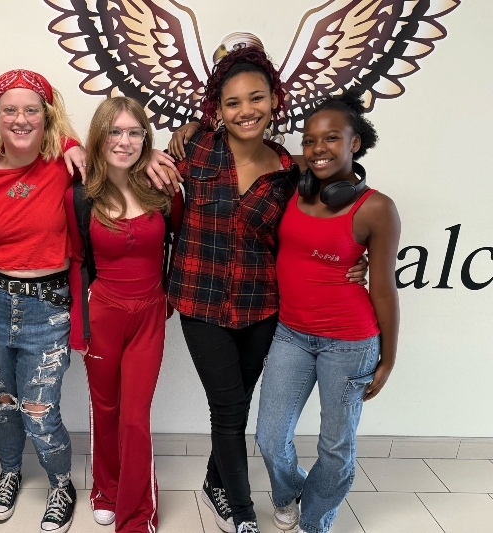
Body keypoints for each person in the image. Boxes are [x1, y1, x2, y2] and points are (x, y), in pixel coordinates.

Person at [165, 45, 368, 533]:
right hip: (201, 300)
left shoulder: (291, 170)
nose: (245, 111)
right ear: (217, 109)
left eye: (256, 98)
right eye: (232, 103)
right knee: (229, 409)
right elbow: (124, 155)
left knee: (241, 405)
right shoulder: (193, 149)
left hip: (262, 307)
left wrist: (360, 258)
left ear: (275, 101)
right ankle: (242, 513)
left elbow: (343, 207)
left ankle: (218, 481)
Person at [255, 91, 400, 533]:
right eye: (311, 140)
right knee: (269, 437)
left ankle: (314, 521)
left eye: (332, 139)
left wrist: (388, 359)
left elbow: (385, 290)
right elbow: (253, 147)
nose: (319, 149)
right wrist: (190, 131)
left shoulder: (376, 208)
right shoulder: (293, 181)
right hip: (291, 335)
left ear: (355, 143)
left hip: (350, 343)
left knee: (336, 447)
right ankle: (290, 492)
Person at [0, 69, 83, 533]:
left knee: (41, 409)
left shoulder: (66, 164)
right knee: (1, 402)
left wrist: (71, 139)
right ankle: (10, 473)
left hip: (46, 306)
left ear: (47, 116)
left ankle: (61, 483)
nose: (20, 118)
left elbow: (115, 149)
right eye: (10, 109)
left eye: (32, 109)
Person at [65, 96, 183, 532]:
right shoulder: (79, 194)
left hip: (149, 316)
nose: (125, 140)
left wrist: (169, 299)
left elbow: (181, 247)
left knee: (135, 416)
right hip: (104, 316)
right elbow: (77, 263)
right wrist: (81, 326)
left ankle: (135, 516)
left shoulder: (164, 190)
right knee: (105, 408)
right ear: (99, 137)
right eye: (115, 131)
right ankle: (105, 490)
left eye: (135, 132)